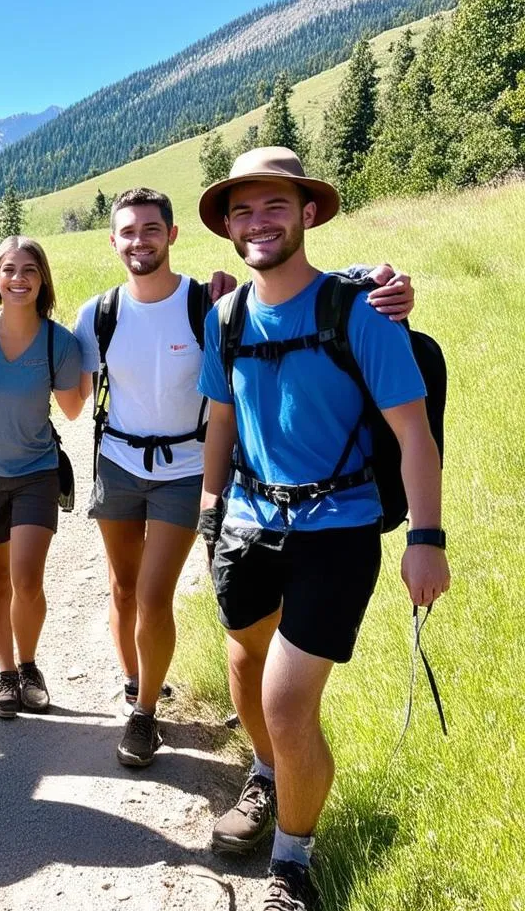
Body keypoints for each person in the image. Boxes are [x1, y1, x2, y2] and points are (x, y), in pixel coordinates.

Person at [196, 147, 449, 911]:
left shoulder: (360, 311)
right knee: (244, 662)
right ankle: (267, 777)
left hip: (336, 530)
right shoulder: (227, 316)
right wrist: (210, 510)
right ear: (229, 227)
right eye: (243, 209)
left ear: (308, 213)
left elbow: (413, 434)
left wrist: (427, 538)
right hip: (245, 522)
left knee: (285, 700)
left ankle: (292, 865)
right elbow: (221, 420)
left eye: (274, 205)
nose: (258, 221)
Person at [73, 188, 416, 770]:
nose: (139, 241)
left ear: (173, 234)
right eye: (127, 232)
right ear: (111, 241)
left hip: (188, 471)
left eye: (151, 229)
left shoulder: (207, 302)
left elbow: (290, 290)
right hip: (119, 464)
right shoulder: (97, 314)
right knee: (123, 589)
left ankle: (146, 713)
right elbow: (74, 396)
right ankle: (138, 683)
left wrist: (378, 281)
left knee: (154, 595)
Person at [0, 236, 84, 717]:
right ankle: (6, 673)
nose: (18, 278)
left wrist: (90, 362)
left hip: (37, 471)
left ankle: (29, 665)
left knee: (27, 580)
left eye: (29, 269)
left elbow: (73, 411)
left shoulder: (59, 341)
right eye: (8, 269)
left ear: (43, 278)